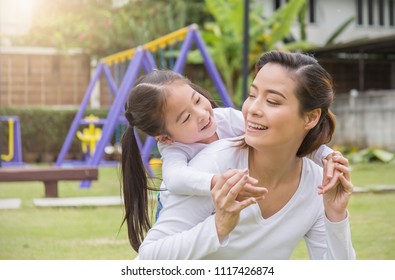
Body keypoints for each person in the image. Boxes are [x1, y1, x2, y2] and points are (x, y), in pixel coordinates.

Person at [137, 51, 356, 259]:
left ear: (310, 118)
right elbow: (147, 259)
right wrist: (218, 226)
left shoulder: (317, 185)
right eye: (252, 95)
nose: (252, 109)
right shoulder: (213, 164)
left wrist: (336, 215)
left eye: (272, 101)